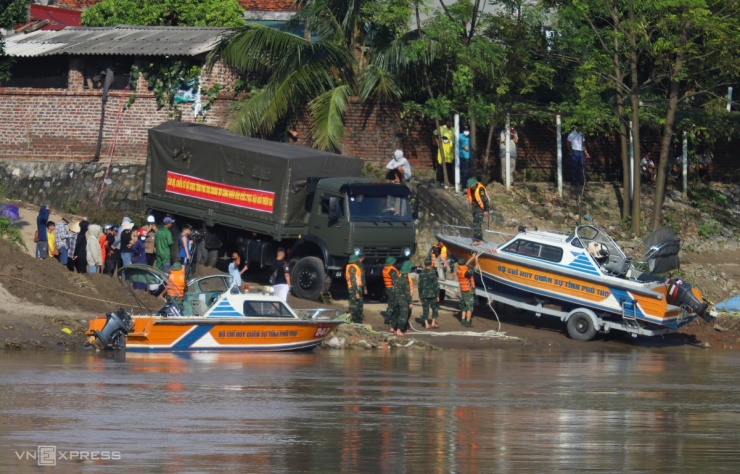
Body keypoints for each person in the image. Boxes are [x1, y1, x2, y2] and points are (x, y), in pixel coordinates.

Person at [391, 261, 414, 336]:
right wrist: (410, 302)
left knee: (396, 314)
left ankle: (393, 328)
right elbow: (407, 293)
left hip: (396, 300)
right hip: (403, 301)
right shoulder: (405, 280)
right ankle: (399, 330)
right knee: (403, 315)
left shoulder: (397, 278)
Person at [466, 177, 490, 245]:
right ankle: (479, 238)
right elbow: (472, 199)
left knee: (477, 223)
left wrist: (486, 210)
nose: (471, 188)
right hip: (475, 208)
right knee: (475, 223)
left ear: (475, 184)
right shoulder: (470, 189)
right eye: (470, 187)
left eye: (472, 186)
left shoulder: (480, 189)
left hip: (480, 208)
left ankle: (478, 239)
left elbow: (485, 201)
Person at [419, 258, 440, 329]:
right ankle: (433, 323)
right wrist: (438, 295)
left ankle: (426, 324)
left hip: (424, 294)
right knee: (435, 308)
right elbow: (436, 285)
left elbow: (420, 285)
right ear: (431, 264)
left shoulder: (421, 274)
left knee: (425, 309)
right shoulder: (433, 273)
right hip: (433, 294)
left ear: (425, 265)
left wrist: (420, 295)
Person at [457, 256, 476, 327]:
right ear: (464, 265)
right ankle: (468, 322)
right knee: (469, 307)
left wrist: (472, 257)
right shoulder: (467, 273)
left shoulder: (459, 271)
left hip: (463, 290)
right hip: (468, 291)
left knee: (464, 306)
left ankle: (462, 320)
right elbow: (475, 269)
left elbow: (466, 265)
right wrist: (476, 260)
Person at [434, 121, 454, 186]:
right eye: (448, 122)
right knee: (441, 167)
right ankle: (440, 181)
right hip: (443, 151)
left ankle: (449, 181)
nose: (449, 123)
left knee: (449, 168)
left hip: (450, 152)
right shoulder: (441, 128)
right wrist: (438, 143)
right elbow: (435, 134)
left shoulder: (453, 129)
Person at [345, 254, 364, 323]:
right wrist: (356, 292)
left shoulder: (355, 267)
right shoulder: (352, 268)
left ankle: (357, 321)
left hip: (358, 288)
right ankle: (351, 321)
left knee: (359, 305)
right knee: (354, 306)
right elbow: (353, 281)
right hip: (354, 289)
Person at [381, 256, 399, 325]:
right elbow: (395, 281)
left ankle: (391, 318)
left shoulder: (385, 269)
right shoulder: (392, 270)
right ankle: (388, 319)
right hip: (392, 289)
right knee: (393, 304)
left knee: (392, 303)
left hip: (388, 288)